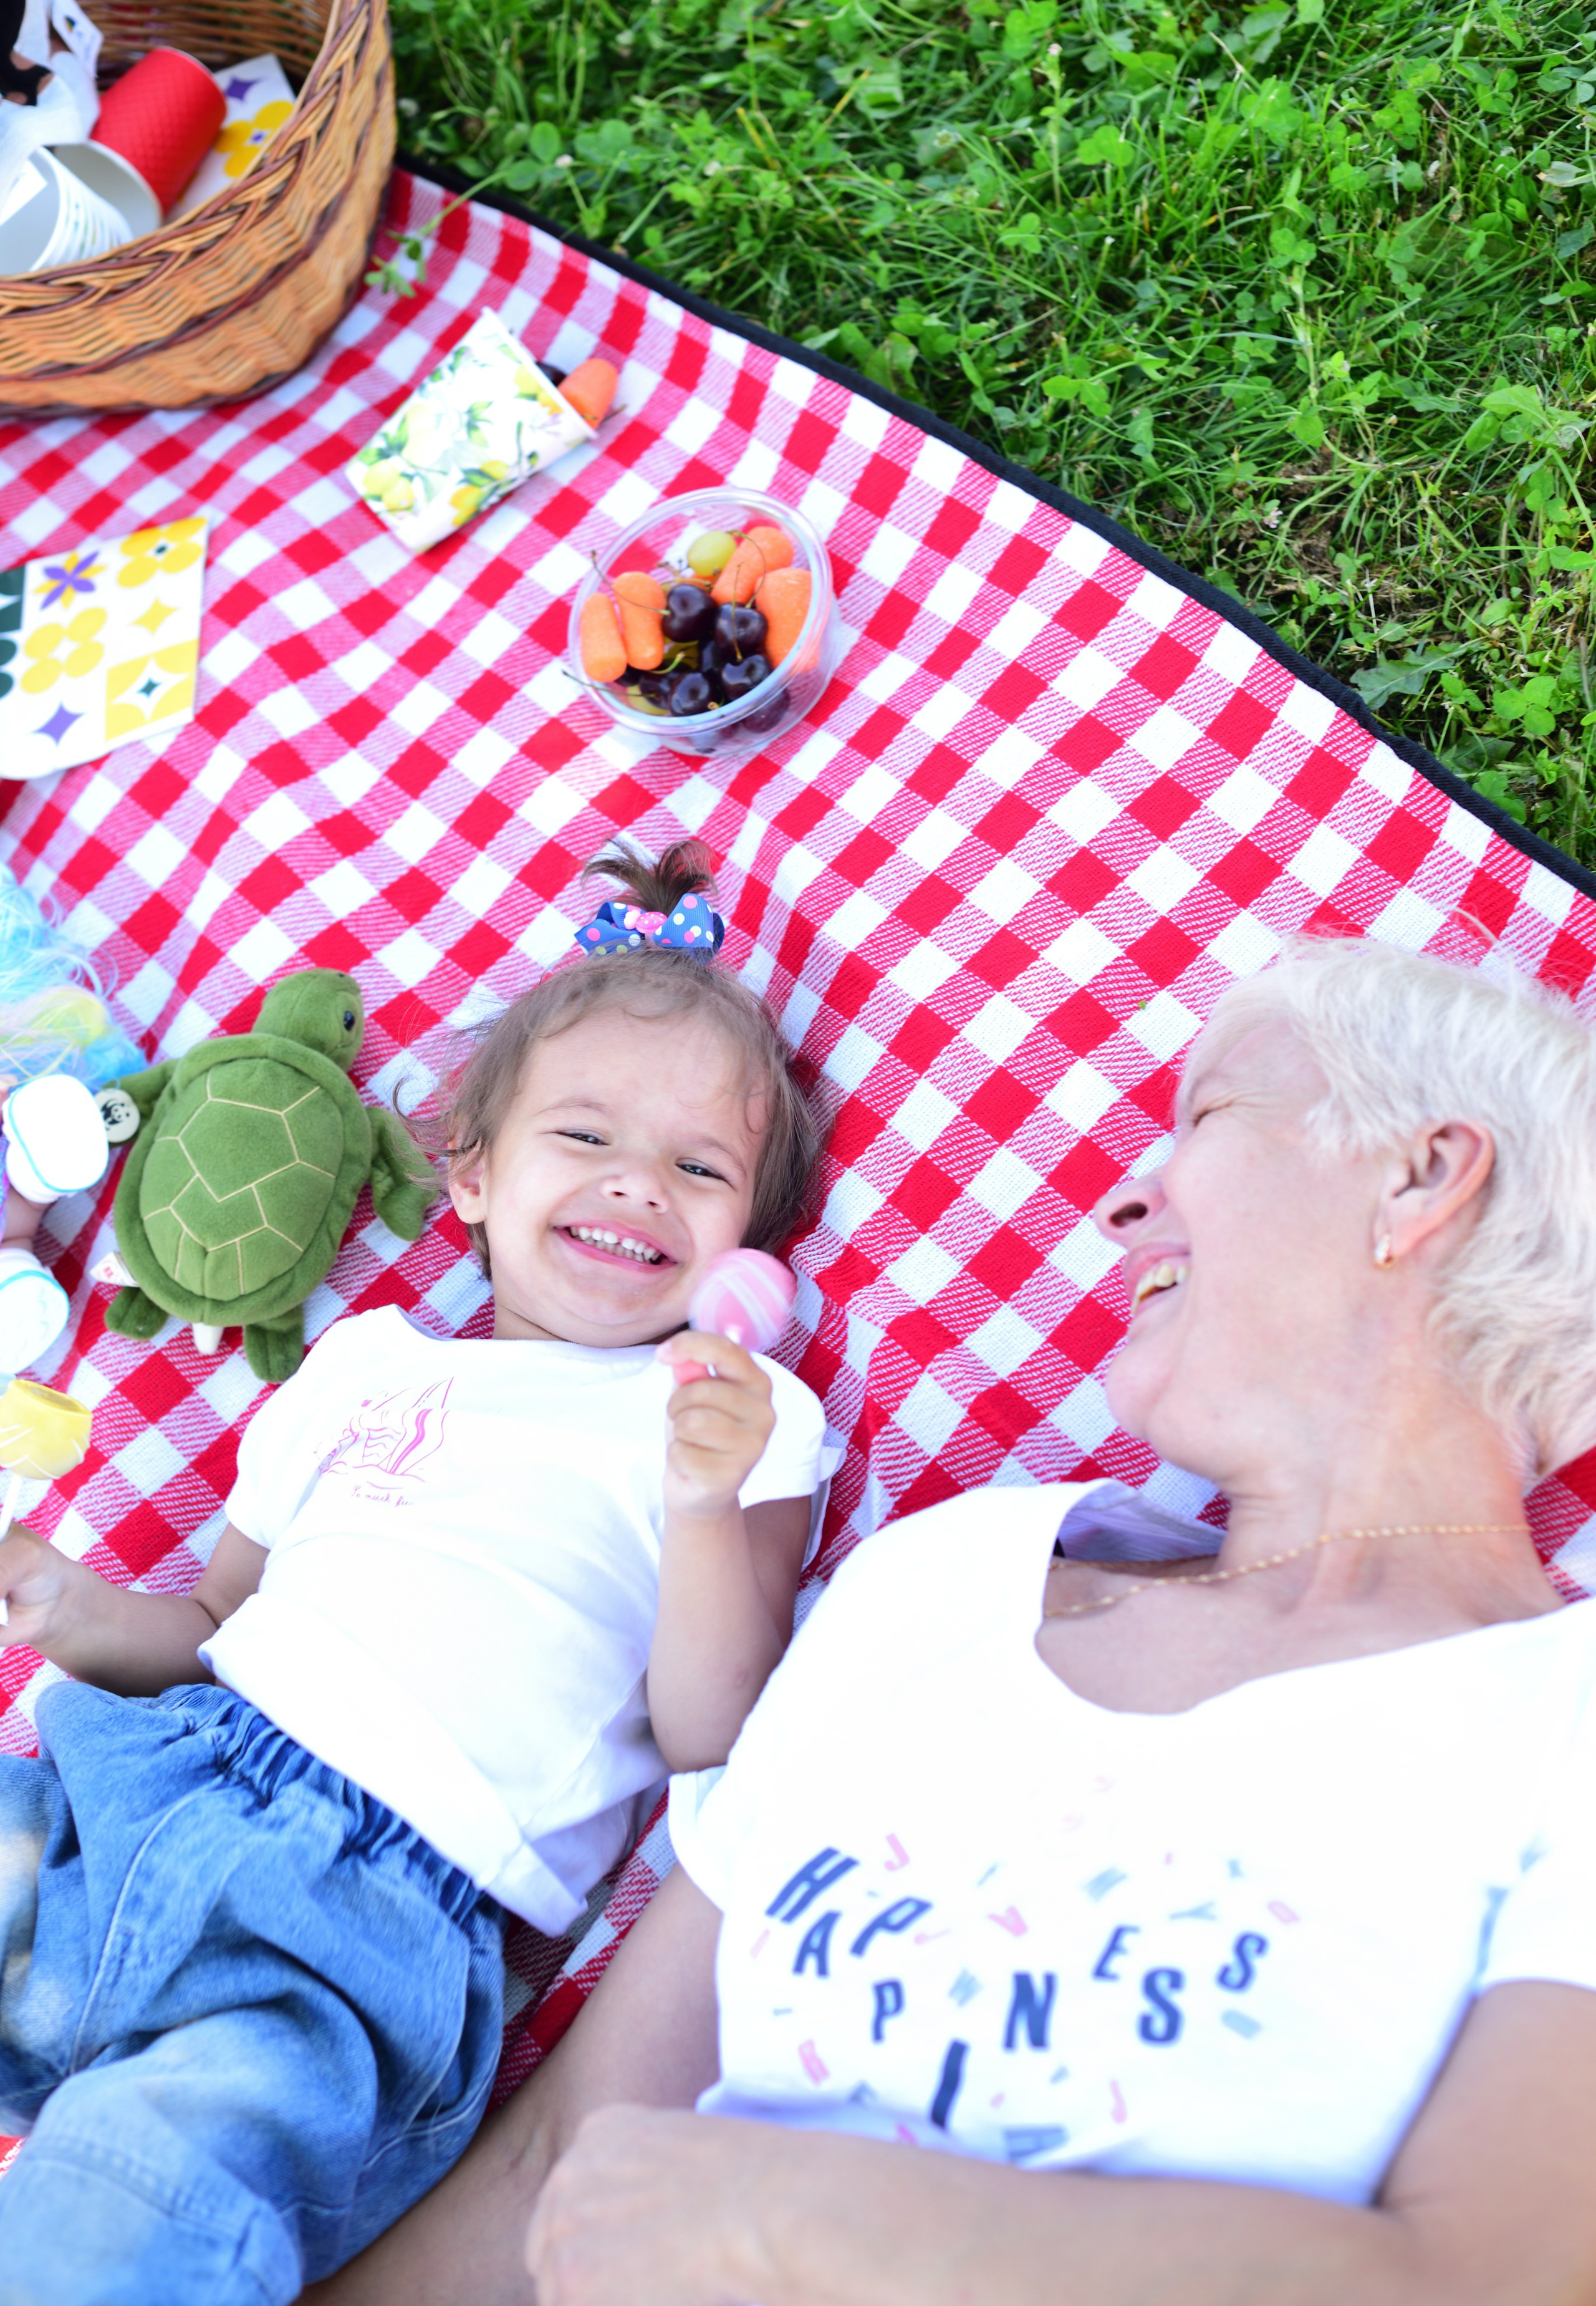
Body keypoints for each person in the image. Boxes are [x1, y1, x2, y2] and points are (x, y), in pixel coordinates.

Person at [314, 933, 1596, 2306]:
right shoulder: (943, 1577)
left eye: (1210, 1118)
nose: (1123, 1204)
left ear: (1421, 1174)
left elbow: (1493, 2278)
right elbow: (562, 2164)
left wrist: (791, 2221)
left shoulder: (1562, 1716)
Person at [0, 840, 835, 2306]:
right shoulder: (364, 1363)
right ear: (472, 1176)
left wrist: (706, 1499)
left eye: (699, 1168)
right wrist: (71, 1609)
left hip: (360, 1933)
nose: (636, 1183)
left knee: (142, 2195)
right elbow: (212, 1622)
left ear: (741, 1247)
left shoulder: (727, 1417)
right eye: (585, 1135)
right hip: (139, 1789)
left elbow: (710, 1729)